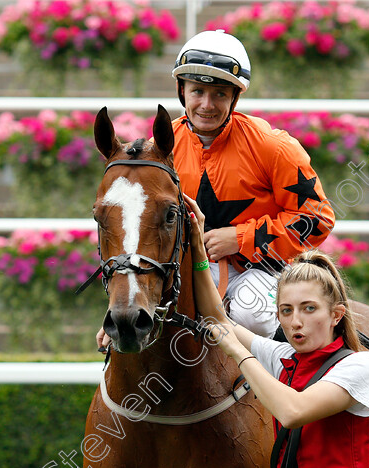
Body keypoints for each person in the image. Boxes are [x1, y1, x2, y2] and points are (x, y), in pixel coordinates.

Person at [97, 30, 335, 351]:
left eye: (220, 94)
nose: (207, 105)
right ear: (182, 91)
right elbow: (134, 233)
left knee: (251, 314)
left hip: (257, 273)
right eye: (197, 91)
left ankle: (287, 392)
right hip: (181, 273)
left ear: (235, 97)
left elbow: (317, 218)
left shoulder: (273, 147)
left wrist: (239, 239)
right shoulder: (157, 154)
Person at [184, 194, 369, 468]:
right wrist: (197, 246)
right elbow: (217, 318)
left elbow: (293, 411)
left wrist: (241, 355)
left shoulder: (363, 366)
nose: (295, 321)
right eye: (286, 310)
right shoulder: (284, 356)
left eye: (309, 308)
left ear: (336, 315)